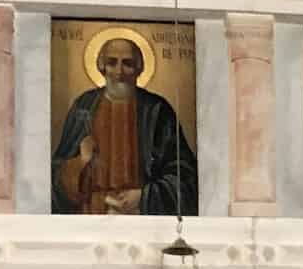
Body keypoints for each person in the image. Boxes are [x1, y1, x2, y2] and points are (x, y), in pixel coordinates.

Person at [53, 36, 197, 217]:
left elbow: (184, 174)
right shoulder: (84, 107)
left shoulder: (156, 110)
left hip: (142, 215)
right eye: (112, 63)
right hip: (91, 214)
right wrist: (80, 162)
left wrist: (144, 197)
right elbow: (54, 181)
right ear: (101, 67)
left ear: (139, 68)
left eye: (127, 63)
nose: (119, 71)